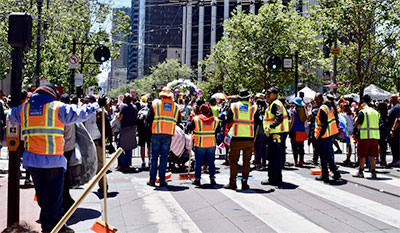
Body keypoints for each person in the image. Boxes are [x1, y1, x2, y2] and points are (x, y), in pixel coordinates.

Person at [8, 83, 102, 233]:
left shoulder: (25, 108)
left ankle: (56, 226)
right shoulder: (57, 107)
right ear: (52, 95)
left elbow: (10, 116)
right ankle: (52, 228)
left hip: (33, 162)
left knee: (44, 198)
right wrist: (96, 105)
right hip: (53, 162)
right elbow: (80, 113)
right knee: (53, 200)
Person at [224, 89, 258, 190]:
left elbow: (228, 119)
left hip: (236, 137)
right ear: (248, 97)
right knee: (246, 161)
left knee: (233, 161)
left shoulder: (233, 106)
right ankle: (244, 183)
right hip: (249, 138)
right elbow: (259, 120)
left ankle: (233, 183)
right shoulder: (254, 107)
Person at [146, 87, 181, 187]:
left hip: (156, 133)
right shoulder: (176, 107)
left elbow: (148, 119)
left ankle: (152, 180)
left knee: (154, 158)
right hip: (168, 134)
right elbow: (178, 121)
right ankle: (162, 180)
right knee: (164, 158)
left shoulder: (155, 104)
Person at [187, 104, 220, 186]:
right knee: (211, 162)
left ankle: (197, 179)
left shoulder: (196, 119)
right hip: (211, 144)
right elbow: (218, 130)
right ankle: (212, 179)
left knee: (198, 162)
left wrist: (190, 119)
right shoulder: (215, 120)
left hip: (200, 144)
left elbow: (189, 127)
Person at [261, 87, 289, 186]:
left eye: (269, 93)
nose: (267, 95)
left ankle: (273, 179)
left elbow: (279, 117)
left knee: (273, 157)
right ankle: (276, 178)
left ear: (275, 94)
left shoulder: (276, 104)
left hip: (275, 133)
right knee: (275, 157)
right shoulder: (274, 104)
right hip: (276, 133)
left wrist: (270, 127)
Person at [314, 94, 341, 183]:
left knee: (323, 156)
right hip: (330, 134)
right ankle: (335, 173)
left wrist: (319, 136)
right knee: (328, 155)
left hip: (325, 135)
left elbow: (324, 125)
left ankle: (325, 175)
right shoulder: (329, 107)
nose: (315, 101)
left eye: (316, 99)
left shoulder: (322, 108)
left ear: (321, 99)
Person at [353, 95, 380, 179]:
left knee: (362, 155)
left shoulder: (363, 112)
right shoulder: (376, 112)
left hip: (364, 136)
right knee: (372, 155)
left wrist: (355, 119)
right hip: (375, 136)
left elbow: (358, 124)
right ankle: (373, 172)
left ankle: (361, 171)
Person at [117, 93, 138, 171]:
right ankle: (128, 164)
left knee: (119, 147)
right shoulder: (135, 107)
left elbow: (120, 117)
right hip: (133, 128)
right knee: (129, 147)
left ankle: (123, 164)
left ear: (124, 99)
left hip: (125, 129)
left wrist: (116, 115)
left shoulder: (123, 106)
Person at [137, 95, 151, 168]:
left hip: (141, 131)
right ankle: (149, 161)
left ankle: (143, 162)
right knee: (149, 146)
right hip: (149, 131)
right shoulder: (149, 110)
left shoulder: (139, 112)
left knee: (142, 146)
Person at [387, 94, 400, 167]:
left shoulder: (398, 107)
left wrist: (393, 129)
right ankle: (394, 160)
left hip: (396, 131)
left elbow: (397, 119)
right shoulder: (393, 107)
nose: (390, 100)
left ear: (395, 99)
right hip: (393, 130)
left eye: (391, 98)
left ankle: (397, 160)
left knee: (396, 145)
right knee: (392, 145)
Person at [377, 102, 389, 166]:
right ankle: (382, 159)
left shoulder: (379, 115)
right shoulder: (386, 116)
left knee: (381, 146)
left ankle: (382, 159)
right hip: (384, 133)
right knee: (383, 147)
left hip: (380, 132)